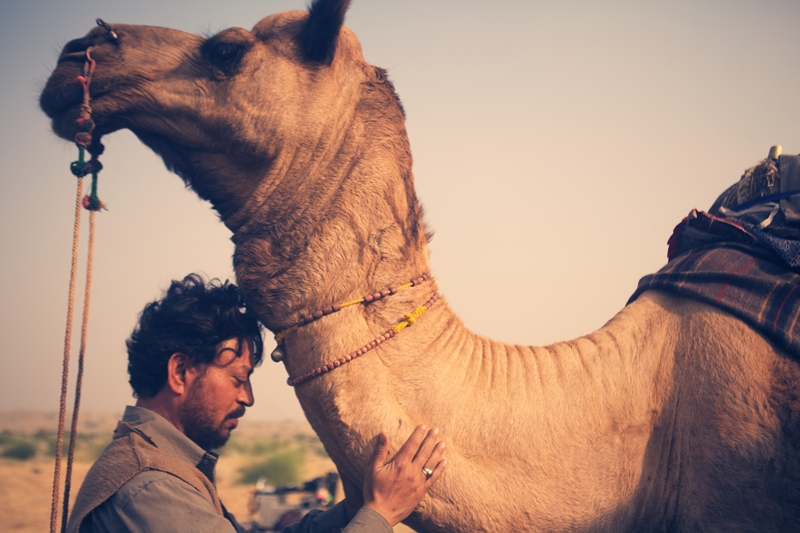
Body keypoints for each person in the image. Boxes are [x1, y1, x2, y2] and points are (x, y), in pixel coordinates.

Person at [67, 274, 446, 533]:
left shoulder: (168, 470)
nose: (248, 398)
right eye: (237, 379)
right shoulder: (147, 489)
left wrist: (353, 511)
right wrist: (381, 515)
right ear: (180, 371)